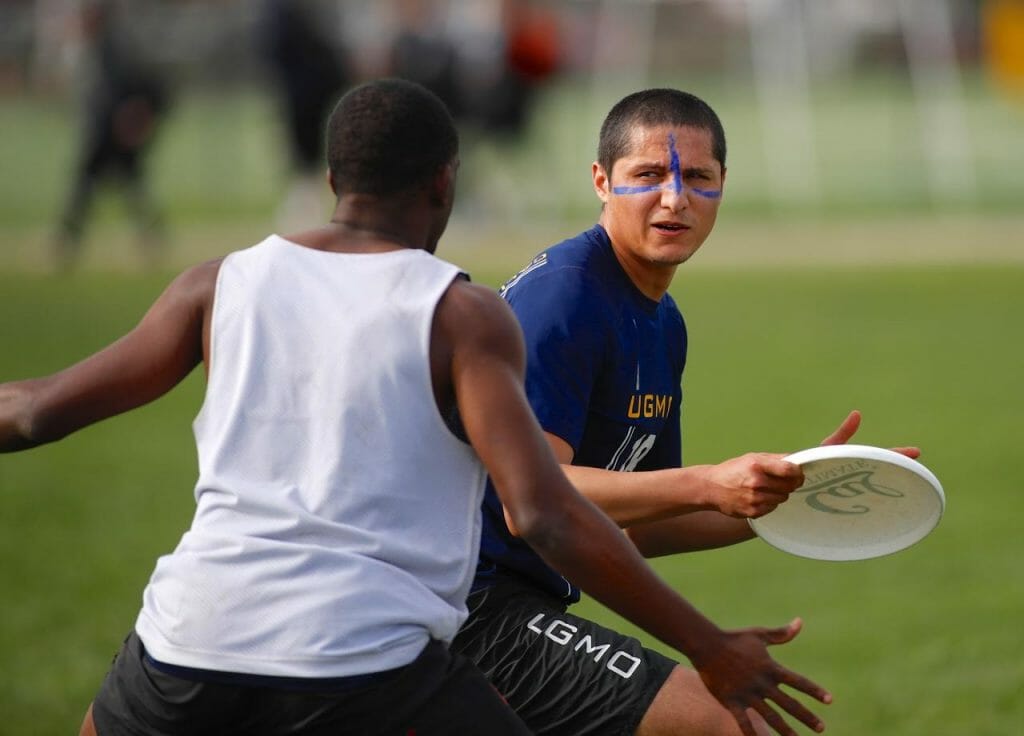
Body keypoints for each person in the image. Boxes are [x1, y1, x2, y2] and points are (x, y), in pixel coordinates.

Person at [0, 79, 832, 736]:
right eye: (650, 175)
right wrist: (706, 641)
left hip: (183, 640)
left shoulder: (217, 283)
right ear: (446, 183)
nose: (675, 198)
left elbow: (34, 410)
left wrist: (770, 498)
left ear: (330, 181)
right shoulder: (460, 312)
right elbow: (541, 509)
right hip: (363, 655)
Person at [451, 87, 921, 736]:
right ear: (600, 181)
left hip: (517, 600)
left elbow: (643, 522)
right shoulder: (564, 299)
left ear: (724, 184)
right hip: (460, 604)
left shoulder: (662, 322)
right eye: (647, 176)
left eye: (697, 177)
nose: (674, 198)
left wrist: (798, 492)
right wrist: (708, 482)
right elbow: (531, 496)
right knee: (730, 724)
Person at [55, 0, 170, 270]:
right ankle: (150, 233)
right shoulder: (102, 46)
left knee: (90, 185)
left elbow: (123, 91)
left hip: (109, 135)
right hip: (108, 132)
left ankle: (69, 238)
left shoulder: (113, 48)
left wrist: (126, 120)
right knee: (121, 186)